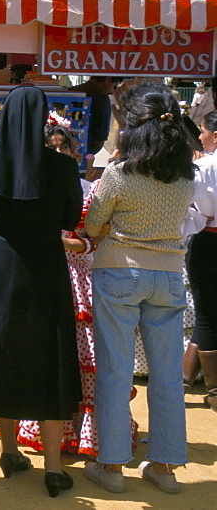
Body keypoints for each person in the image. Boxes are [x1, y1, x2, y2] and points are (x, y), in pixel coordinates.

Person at [0, 86, 83, 498]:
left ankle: (9, 450)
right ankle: (53, 467)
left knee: (0, 351)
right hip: (44, 263)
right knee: (49, 355)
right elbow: (70, 215)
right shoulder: (61, 168)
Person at [82, 83, 197, 495]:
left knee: (115, 369)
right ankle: (164, 467)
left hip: (119, 271)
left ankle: (111, 465)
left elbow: (93, 226)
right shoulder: (187, 175)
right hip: (168, 273)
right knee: (167, 375)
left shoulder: (118, 174)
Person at [12, 125, 137, 458]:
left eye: (62, 148)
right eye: (50, 148)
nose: (57, 154)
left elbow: (99, 236)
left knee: (89, 357)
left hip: (82, 281)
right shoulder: (30, 188)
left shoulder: (91, 189)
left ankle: (87, 431)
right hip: (45, 277)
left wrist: (64, 242)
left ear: (75, 152)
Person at [186, 110, 217, 410]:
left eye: (203, 131)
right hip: (208, 235)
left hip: (209, 239)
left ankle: (212, 390)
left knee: (207, 313)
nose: (199, 136)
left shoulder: (205, 166)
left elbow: (194, 206)